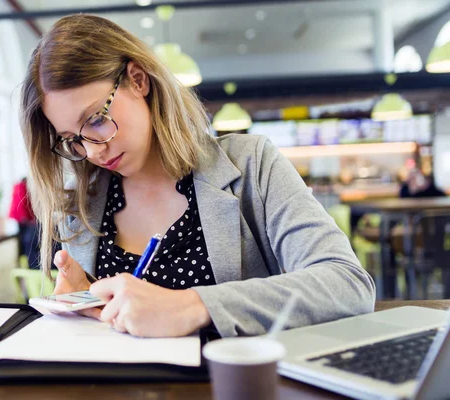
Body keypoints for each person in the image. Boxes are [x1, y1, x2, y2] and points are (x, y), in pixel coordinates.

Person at [20, 14, 375, 338]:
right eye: (72, 139)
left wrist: (193, 306)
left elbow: (347, 285)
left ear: (138, 80)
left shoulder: (252, 164)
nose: (93, 150)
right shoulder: (81, 202)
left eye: (96, 119)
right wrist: (84, 304)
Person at [8, 177, 40, 269]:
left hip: (19, 218)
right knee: (27, 239)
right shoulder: (21, 187)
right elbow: (21, 204)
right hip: (21, 218)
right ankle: (25, 257)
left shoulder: (18, 186)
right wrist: (27, 219)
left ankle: (25, 257)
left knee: (26, 239)